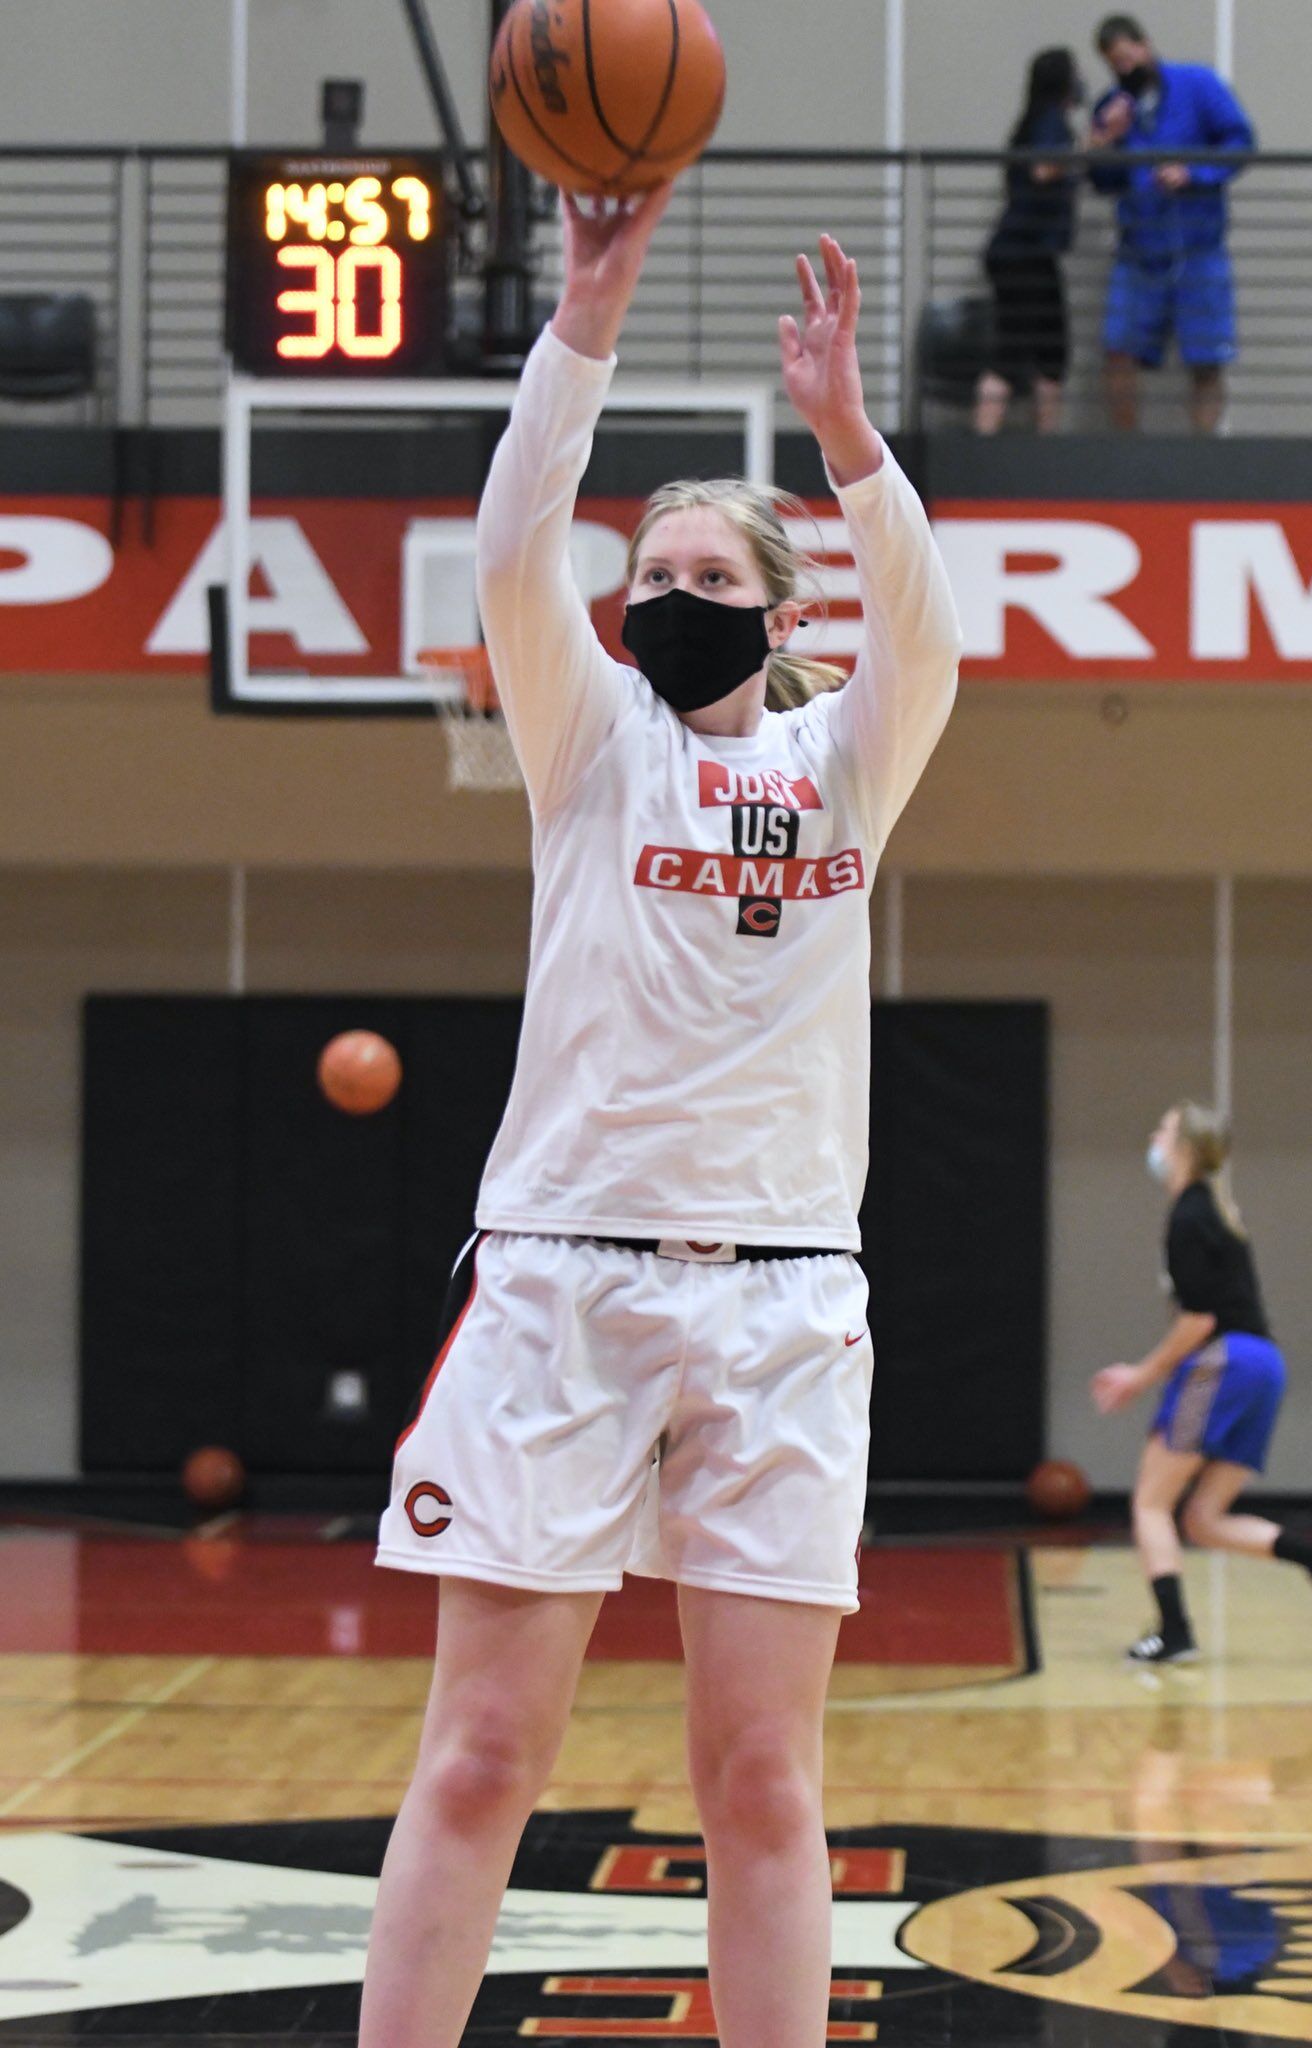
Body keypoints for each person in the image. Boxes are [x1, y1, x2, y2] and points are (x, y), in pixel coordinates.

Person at [360, 184, 962, 2048]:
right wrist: (587, 316)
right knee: (480, 1754)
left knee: (763, 1783)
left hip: (783, 1301)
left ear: (782, 614)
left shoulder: (849, 752)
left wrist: (848, 436)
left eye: (713, 580)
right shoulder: (592, 735)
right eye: (656, 576)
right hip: (561, 1279)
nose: (675, 600)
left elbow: (930, 621)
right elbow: (512, 535)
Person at [1091, 1102, 1312, 1666]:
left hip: (1224, 1362)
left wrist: (1139, 1376)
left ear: (1183, 1147)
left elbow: (1198, 1321)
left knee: (1150, 1504)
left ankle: (1175, 1633)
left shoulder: (1188, 1217)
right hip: (1264, 1363)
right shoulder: (1213, 1212)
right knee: (1203, 1519)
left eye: (1163, 1130)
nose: (1153, 1137)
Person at [1087, 13, 1256, 434]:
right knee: (1119, 350)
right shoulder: (1111, 106)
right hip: (1139, 251)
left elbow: (1240, 142)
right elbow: (1101, 181)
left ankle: (1204, 453)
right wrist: (1105, 142)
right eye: (1115, 65)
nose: (1125, 69)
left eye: (1128, 58)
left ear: (1145, 45)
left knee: (1207, 359)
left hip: (1199, 248)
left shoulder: (1198, 84)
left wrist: (1193, 172)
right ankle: (1126, 452)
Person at [976, 47, 1083, 436]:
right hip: (1023, 253)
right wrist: (1093, 144)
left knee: (1050, 353)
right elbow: (1042, 168)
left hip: (1030, 253)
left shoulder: (1032, 121)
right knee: (1012, 354)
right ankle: (982, 443)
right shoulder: (1050, 120)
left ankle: (1043, 446)